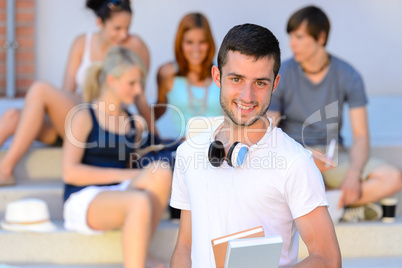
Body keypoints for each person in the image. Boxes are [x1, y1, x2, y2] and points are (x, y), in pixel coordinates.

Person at [170, 24, 341, 268]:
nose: (247, 96)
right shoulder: (188, 152)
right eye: (237, 79)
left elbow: (328, 259)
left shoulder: (295, 162)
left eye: (260, 82)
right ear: (217, 77)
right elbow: (184, 247)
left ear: (275, 83)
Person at [267, 6, 402, 222]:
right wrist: (305, 159)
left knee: (392, 178)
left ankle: (327, 204)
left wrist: (353, 174)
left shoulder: (348, 74)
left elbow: (361, 134)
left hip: (333, 158)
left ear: (320, 38)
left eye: (299, 37)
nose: (292, 43)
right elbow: (269, 130)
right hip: (295, 159)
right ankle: (343, 208)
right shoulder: (281, 73)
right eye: (291, 37)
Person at [0, 0, 154, 186]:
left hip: (101, 125)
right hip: (74, 120)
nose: (123, 34)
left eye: (127, 28)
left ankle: (5, 169)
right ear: (100, 23)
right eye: (117, 28)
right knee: (11, 116)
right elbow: (67, 91)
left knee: (40, 89)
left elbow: (138, 96)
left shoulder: (134, 46)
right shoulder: (83, 43)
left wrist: (155, 135)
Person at [63, 46, 171, 268]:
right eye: (132, 83)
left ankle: (141, 253)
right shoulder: (83, 116)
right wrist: (127, 175)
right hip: (84, 197)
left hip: (119, 193)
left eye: (140, 83)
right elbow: (70, 172)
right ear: (111, 80)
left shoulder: (133, 123)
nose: (138, 90)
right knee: (139, 201)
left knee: (161, 171)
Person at [154, 12, 222, 138]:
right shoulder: (166, 74)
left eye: (202, 42)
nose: (196, 49)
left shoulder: (222, 74)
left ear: (210, 43)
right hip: (181, 148)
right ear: (180, 43)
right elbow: (159, 109)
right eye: (189, 42)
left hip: (220, 148)